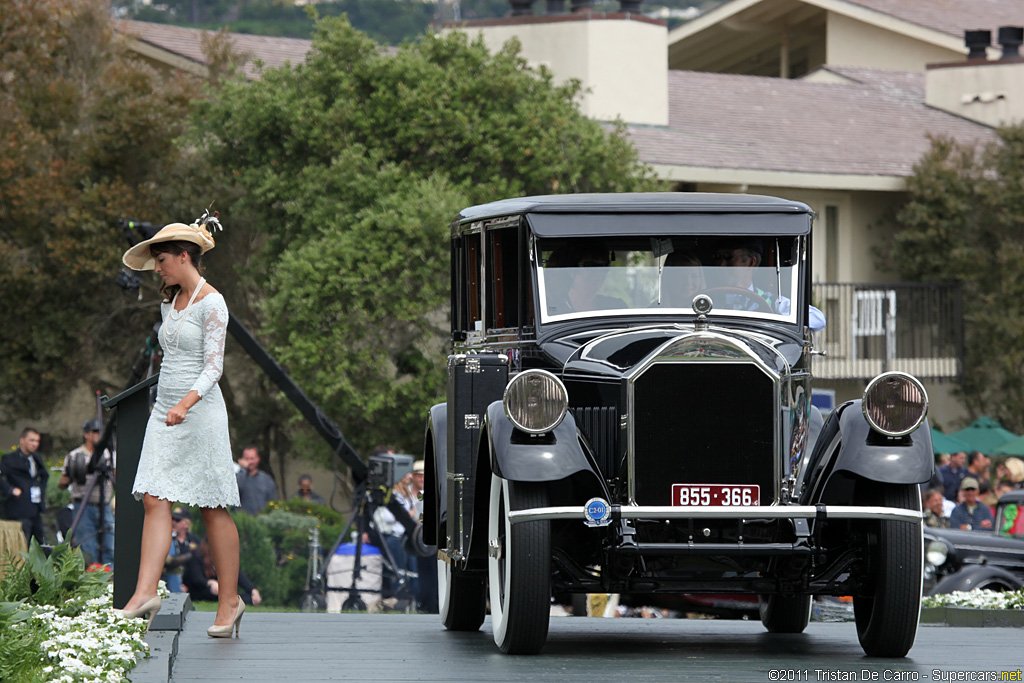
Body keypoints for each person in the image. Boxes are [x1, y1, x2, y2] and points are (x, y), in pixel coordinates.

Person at [118, 215, 245, 638]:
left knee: (211, 505)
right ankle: (143, 594)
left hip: (200, 412)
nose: (158, 268)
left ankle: (230, 602)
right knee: (153, 498)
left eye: (162, 260)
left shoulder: (214, 302)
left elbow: (214, 367)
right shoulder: (172, 302)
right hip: (164, 413)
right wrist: (168, 406)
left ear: (184, 256)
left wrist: (185, 404)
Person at [708, 239, 826, 331]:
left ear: (750, 262)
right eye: (717, 257)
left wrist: (775, 321)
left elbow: (817, 318)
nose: (721, 265)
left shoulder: (770, 300)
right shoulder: (707, 300)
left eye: (728, 257)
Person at [58, 419, 116, 566]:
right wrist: (73, 473)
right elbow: (62, 484)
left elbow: (118, 478)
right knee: (88, 547)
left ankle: (111, 580)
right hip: (83, 506)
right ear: (86, 434)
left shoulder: (110, 454)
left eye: (100, 432)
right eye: (95, 432)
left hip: (104, 505)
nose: (99, 435)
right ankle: (92, 579)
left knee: (111, 544)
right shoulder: (74, 455)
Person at [0, 427, 49, 546]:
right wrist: (11, 490)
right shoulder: (10, 459)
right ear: (22, 440)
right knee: (22, 541)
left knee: (39, 541)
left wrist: (41, 490)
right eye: (31, 440)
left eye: (37, 441)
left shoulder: (36, 458)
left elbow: (44, 475)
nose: (34, 444)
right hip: (19, 508)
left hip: (35, 507)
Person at [163, 505, 198, 593]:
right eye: (172, 519)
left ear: (187, 524)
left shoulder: (194, 540)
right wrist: (190, 555)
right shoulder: (168, 539)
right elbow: (168, 561)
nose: (173, 522)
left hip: (193, 582)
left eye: (177, 520)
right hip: (171, 581)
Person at [235, 447, 277, 515]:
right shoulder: (238, 477)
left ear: (258, 459)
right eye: (246, 459)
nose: (249, 462)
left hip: (261, 521)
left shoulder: (266, 480)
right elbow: (236, 490)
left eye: (252, 458)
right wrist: (242, 469)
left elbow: (272, 501)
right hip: (241, 521)